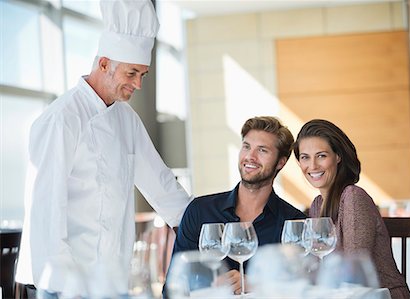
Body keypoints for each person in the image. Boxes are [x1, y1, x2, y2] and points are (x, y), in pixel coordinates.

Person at [15, 0, 192, 297]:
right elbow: (46, 211)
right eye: (131, 73)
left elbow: (161, 186)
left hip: (113, 282)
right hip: (67, 285)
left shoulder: (126, 119)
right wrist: (69, 287)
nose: (137, 85)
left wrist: (204, 225)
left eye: (142, 76)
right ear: (104, 64)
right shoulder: (61, 119)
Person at [166, 116, 306, 295]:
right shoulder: (200, 211)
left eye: (262, 150)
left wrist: (258, 284)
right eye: (246, 146)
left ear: (281, 162)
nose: (250, 156)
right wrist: (211, 287)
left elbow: (302, 290)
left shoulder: (294, 223)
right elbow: (173, 287)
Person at [293, 119, 410, 298]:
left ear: (338, 156)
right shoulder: (317, 205)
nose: (313, 166)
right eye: (305, 157)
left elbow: (352, 271)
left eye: (321, 155)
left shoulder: (352, 197)